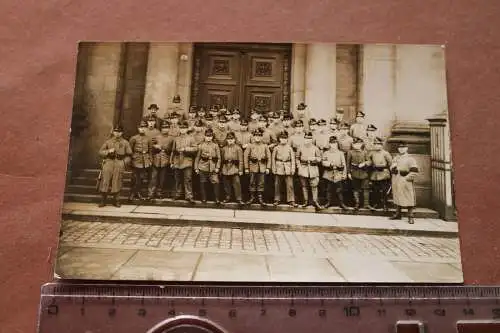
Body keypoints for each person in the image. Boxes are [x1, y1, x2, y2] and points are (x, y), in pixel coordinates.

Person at [97, 125, 132, 207]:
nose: (117, 134)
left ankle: (116, 200)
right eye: (116, 132)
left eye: (119, 132)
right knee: (105, 180)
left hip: (119, 163)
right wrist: (108, 151)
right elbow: (100, 152)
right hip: (109, 162)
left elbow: (129, 155)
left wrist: (123, 162)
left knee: (117, 181)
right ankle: (103, 200)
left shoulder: (125, 143)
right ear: (113, 132)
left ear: (122, 133)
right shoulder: (108, 142)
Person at [390, 142, 419, 224]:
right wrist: (393, 168)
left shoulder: (410, 159)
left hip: (405, 180)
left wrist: (407, 178)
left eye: (403, 147)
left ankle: (410, 216)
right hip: (396, 179)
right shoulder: (396, 158)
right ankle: (398, 214)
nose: (401, 149)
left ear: (406, 149)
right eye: (399, 148)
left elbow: (414, 171)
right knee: (397, 196)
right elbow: (391, 168)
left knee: (408, 198)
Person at [170, 120, 198, 203]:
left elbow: (195, 148)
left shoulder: (191, 138)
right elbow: (173, 151)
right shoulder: (176, 139)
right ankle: (178, 194)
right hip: (177, 161)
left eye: (184, 128)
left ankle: (189, 196)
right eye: (181, 128)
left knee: (188, 179)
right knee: (177, 179)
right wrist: (171, 162)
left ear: (187, 129)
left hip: (187, 161)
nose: (182, 130)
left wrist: (186, 149)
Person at [244, 128, 271, 205]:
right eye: (256, 136)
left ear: (262, 137)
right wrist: (246, 168)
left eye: (259, 136)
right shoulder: (250, 146)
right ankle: (252, 197)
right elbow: (246, 157)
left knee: (261, 182)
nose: (257, 137)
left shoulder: (265, 146)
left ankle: (260, 198)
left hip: (262, 167)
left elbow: (269, 157)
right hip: (252, 166)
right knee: (252, 182)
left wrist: (268, 167)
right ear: (253, 137)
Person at [296, 131, 323, 210]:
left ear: (311, 139)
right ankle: (305, 201)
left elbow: (319, 159)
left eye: (309, 139)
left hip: (313, 168)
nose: (308, 140)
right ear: (304, 139)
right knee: (304, 186)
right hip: (303, 168)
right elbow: (297, 158)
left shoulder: (315, 148)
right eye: (306, 139)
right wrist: (299, 166)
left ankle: (315, 201)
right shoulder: (300, 147)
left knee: (314, 186)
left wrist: (314, 159)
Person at [194, 128, 221, 204]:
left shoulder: (216, 146)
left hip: (213, 167)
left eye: (210, 136)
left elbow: (219, 158)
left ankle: (216, 198)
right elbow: (197, 157)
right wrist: (196, 168)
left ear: (212, 137)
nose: (209, 138)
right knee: (203, 182)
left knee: (215, 182)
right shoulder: (201, 146)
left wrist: (217, 167)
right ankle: (204, 198)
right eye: (207, 136)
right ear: (204, 136)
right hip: (203, 167)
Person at [148, 121, 174, 199]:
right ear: (161, 129)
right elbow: (151, 149)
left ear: (169, 129)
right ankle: (151, 193)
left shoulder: (172, 138)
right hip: (156, 159)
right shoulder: (156, 137)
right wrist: (155, 147)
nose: (165, 129)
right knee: (153, 177)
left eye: (166, 128)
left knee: (162, 178)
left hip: (165, 160)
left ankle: (159, 192)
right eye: (163, 128)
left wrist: (167, 150)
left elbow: (173, 150)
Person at [129, 120, 153, 200]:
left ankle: (138, 193)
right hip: (136, 159)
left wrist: (150, 160)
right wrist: (132, 158)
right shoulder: (133, 138)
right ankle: (132, 193)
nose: (142, 129)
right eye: (141, 127)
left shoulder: (148, 139)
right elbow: (130, 151)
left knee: (142, 178)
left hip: (145, 160)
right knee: (135, 178)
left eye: (144, 127)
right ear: (138, 128)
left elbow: (150, 151)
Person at [321, 136, 348, 210]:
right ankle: (328, 203)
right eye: (332, 143)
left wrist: (344, 174)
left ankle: (341, 203)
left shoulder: (340, 153)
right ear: (329, 144)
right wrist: (329, 164)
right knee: (329, 189)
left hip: (338, 173)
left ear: (337, 144)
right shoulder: (326, 153)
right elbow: (323, 162)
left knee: (339, 189)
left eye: (335, 143)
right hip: (329, 173)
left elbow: (344, 164)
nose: (333, 145)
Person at [271, 131, 296, 207]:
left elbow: (292, 159)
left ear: (287, 139)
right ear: (279, 139)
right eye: (282, 138)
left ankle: (291, 200)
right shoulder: (276, 148)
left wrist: (293, 168)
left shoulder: (290, 148)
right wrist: (274, 168)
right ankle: (277, 199)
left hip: (288, 167)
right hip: (279, 167)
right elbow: (273, 159)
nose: (283, 140)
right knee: (277, 184)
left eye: (285, 138)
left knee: (290, 185)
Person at [368, 137, 392, 211]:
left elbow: (390, 163)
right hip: (375, 174)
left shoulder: (385, 153)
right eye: (375, 144)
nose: (377, 146)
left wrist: (389, 173)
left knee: (384, 190)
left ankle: (385, 204)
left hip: (383, 174)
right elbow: (369, 161)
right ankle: (376, 204)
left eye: (378, 144)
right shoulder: (371, 153)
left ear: (382, 145)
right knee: (375, 190)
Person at [346, 137, 370, 212]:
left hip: (364, 173)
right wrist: (348, 173)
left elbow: (369, 161)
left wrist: (364, 163)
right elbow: (348, 164)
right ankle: (357, 203)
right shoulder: (350, 152)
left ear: (362, 144)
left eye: (359, 144)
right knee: (355, 189)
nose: (357, 145)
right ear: (353, 144)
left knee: (366, 188)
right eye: (355, 144)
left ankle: (366, 204)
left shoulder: (365, 152)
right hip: (354, 173)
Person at [221, 132, 244, 205]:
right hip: (226, 168)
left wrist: (240, 170)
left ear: (234, 139)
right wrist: (221, 169)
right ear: (226, 140)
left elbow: (241, 160)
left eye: (232, 139)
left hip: (235, 168)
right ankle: (228, 197)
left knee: (237, 183)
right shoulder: (224, 148)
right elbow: (221, 160)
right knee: (226, 184)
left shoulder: (238, 148)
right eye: (228, 139)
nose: (230, 140)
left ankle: (239, 199)